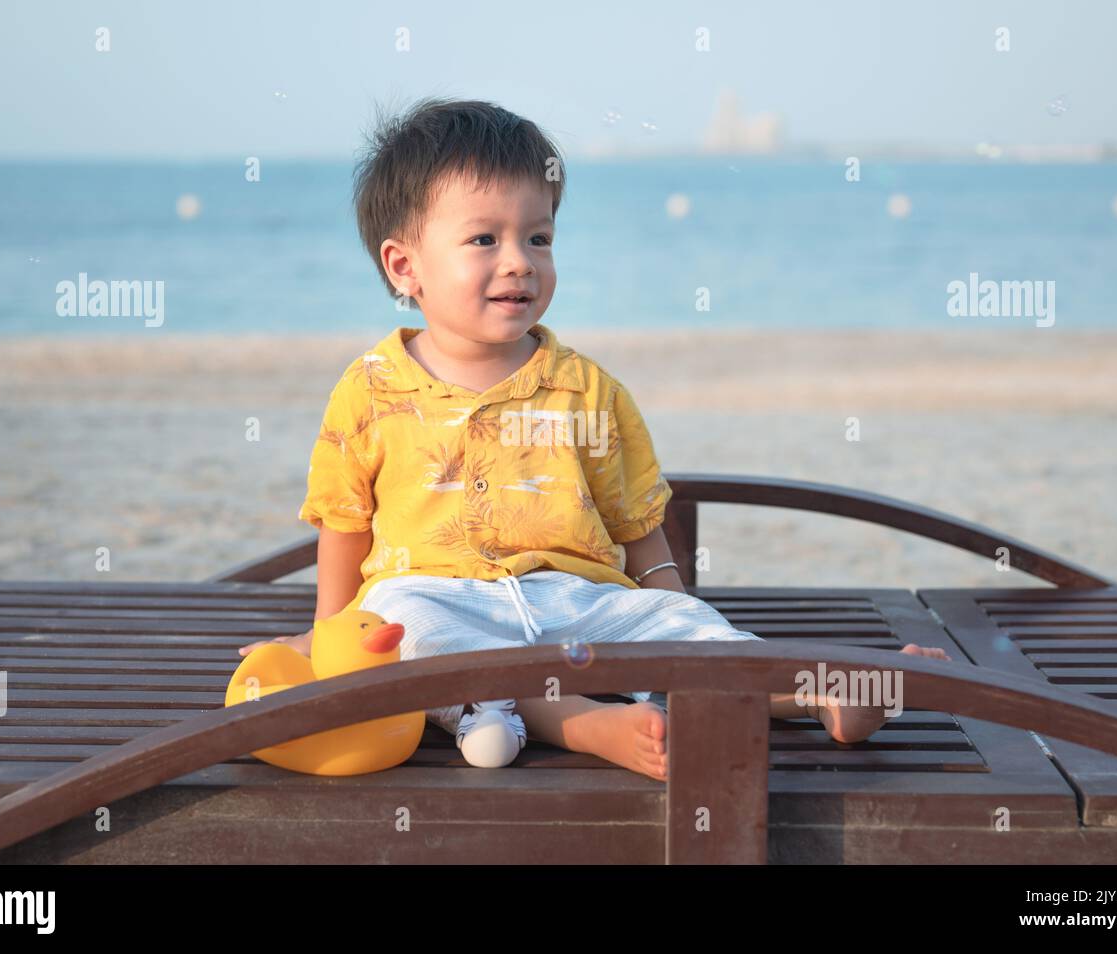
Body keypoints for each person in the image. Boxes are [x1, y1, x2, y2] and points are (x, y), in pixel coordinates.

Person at [239, 97, 948, 781]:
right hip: (437, 597)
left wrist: (673, 605)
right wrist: (326, 636)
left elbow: (636, 522)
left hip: (576, 597)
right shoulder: (369, 389)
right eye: (485, 239)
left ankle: (821, 694)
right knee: (404, 627)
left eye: (538, 237)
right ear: (405, 267)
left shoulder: (587, 388)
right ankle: (582, 724)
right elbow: (344, 524)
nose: (519, 260)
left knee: (690, 635)